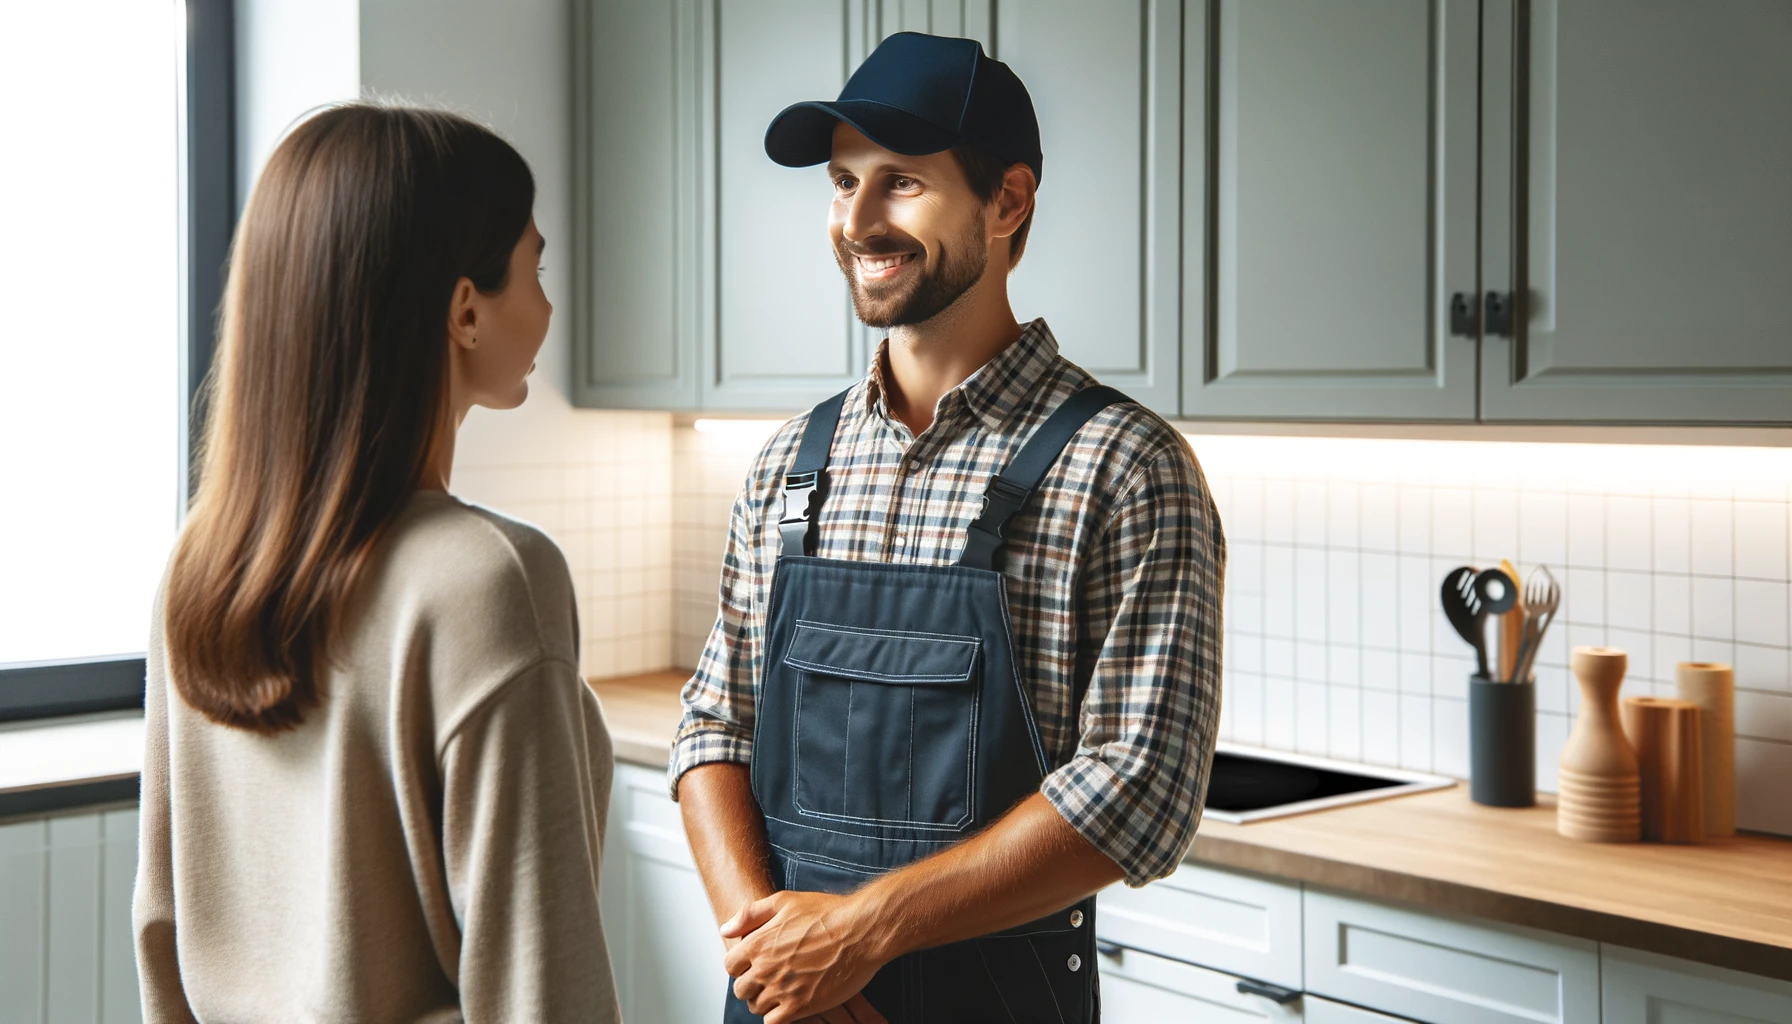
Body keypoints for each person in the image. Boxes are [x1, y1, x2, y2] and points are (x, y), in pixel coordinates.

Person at [672, 32, 1226, 1024]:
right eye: (843, 182)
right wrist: (784, 955)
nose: (858, 219)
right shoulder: (790, 465)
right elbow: (715, 724)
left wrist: (860, 932)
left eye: (901, 184)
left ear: (1006, 202)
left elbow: (1139, 790)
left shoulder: (1124, 469)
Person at [134, 104, 621, 1023]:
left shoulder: (195, 572)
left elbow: (163, 930)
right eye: (536, 268)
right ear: (465, 309)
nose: (548, 304)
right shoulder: (489, 580)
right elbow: (541, 989)